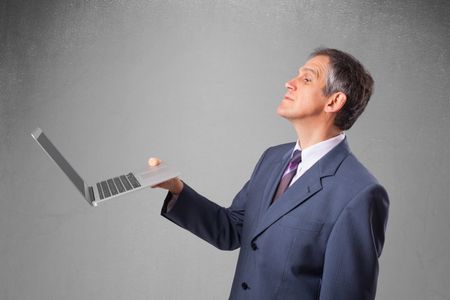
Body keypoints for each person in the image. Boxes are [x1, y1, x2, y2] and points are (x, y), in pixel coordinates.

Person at [150, 48, 389, 300]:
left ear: (333, 101)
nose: (290, 83)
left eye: (306, 79)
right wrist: (176, 188)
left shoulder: (359, 193)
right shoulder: (272, 159)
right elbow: (232, 229)